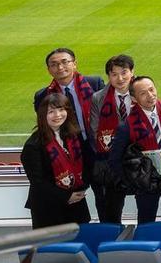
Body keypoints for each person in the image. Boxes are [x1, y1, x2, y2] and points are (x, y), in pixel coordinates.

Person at [33, 48, 105, 217]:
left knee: (104, 197)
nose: (60, 67)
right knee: (72, 198)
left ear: (74, 63)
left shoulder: (94, 84)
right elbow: (45, 125)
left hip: (96, 149)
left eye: (65, 62)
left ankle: (107, 234)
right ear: (48, 69)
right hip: (68, 153)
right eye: (54, 64)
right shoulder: (42, 95)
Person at [110, 76, 161, 224]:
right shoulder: (126, 126)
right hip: (146, 183)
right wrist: (133, 182)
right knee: (146, 221)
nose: (150, 95)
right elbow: (114, 160)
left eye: (151, 89)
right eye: (143, 93)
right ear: (134, 99)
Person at [21, 93, 91, 228]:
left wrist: (82, 186)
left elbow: (85, 163)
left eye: (61, 109)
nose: (57, 115)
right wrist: (66, 196)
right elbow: (38, 182)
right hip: (49, 209)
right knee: (53, 248)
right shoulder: (33, 145)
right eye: (51, 112)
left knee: (78, 244)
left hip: (76, 204)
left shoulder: (74, 136)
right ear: (42, 115)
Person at [89, 54, 135, 223]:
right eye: (114, 74)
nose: (120, 78)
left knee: (146, 205)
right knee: (112, 209)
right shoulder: (99, 98)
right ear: (108, 76)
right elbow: (94, 130)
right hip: (111, 161)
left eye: (124, 72)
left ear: (132, 72)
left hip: (139, 160)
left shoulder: (142, 91)